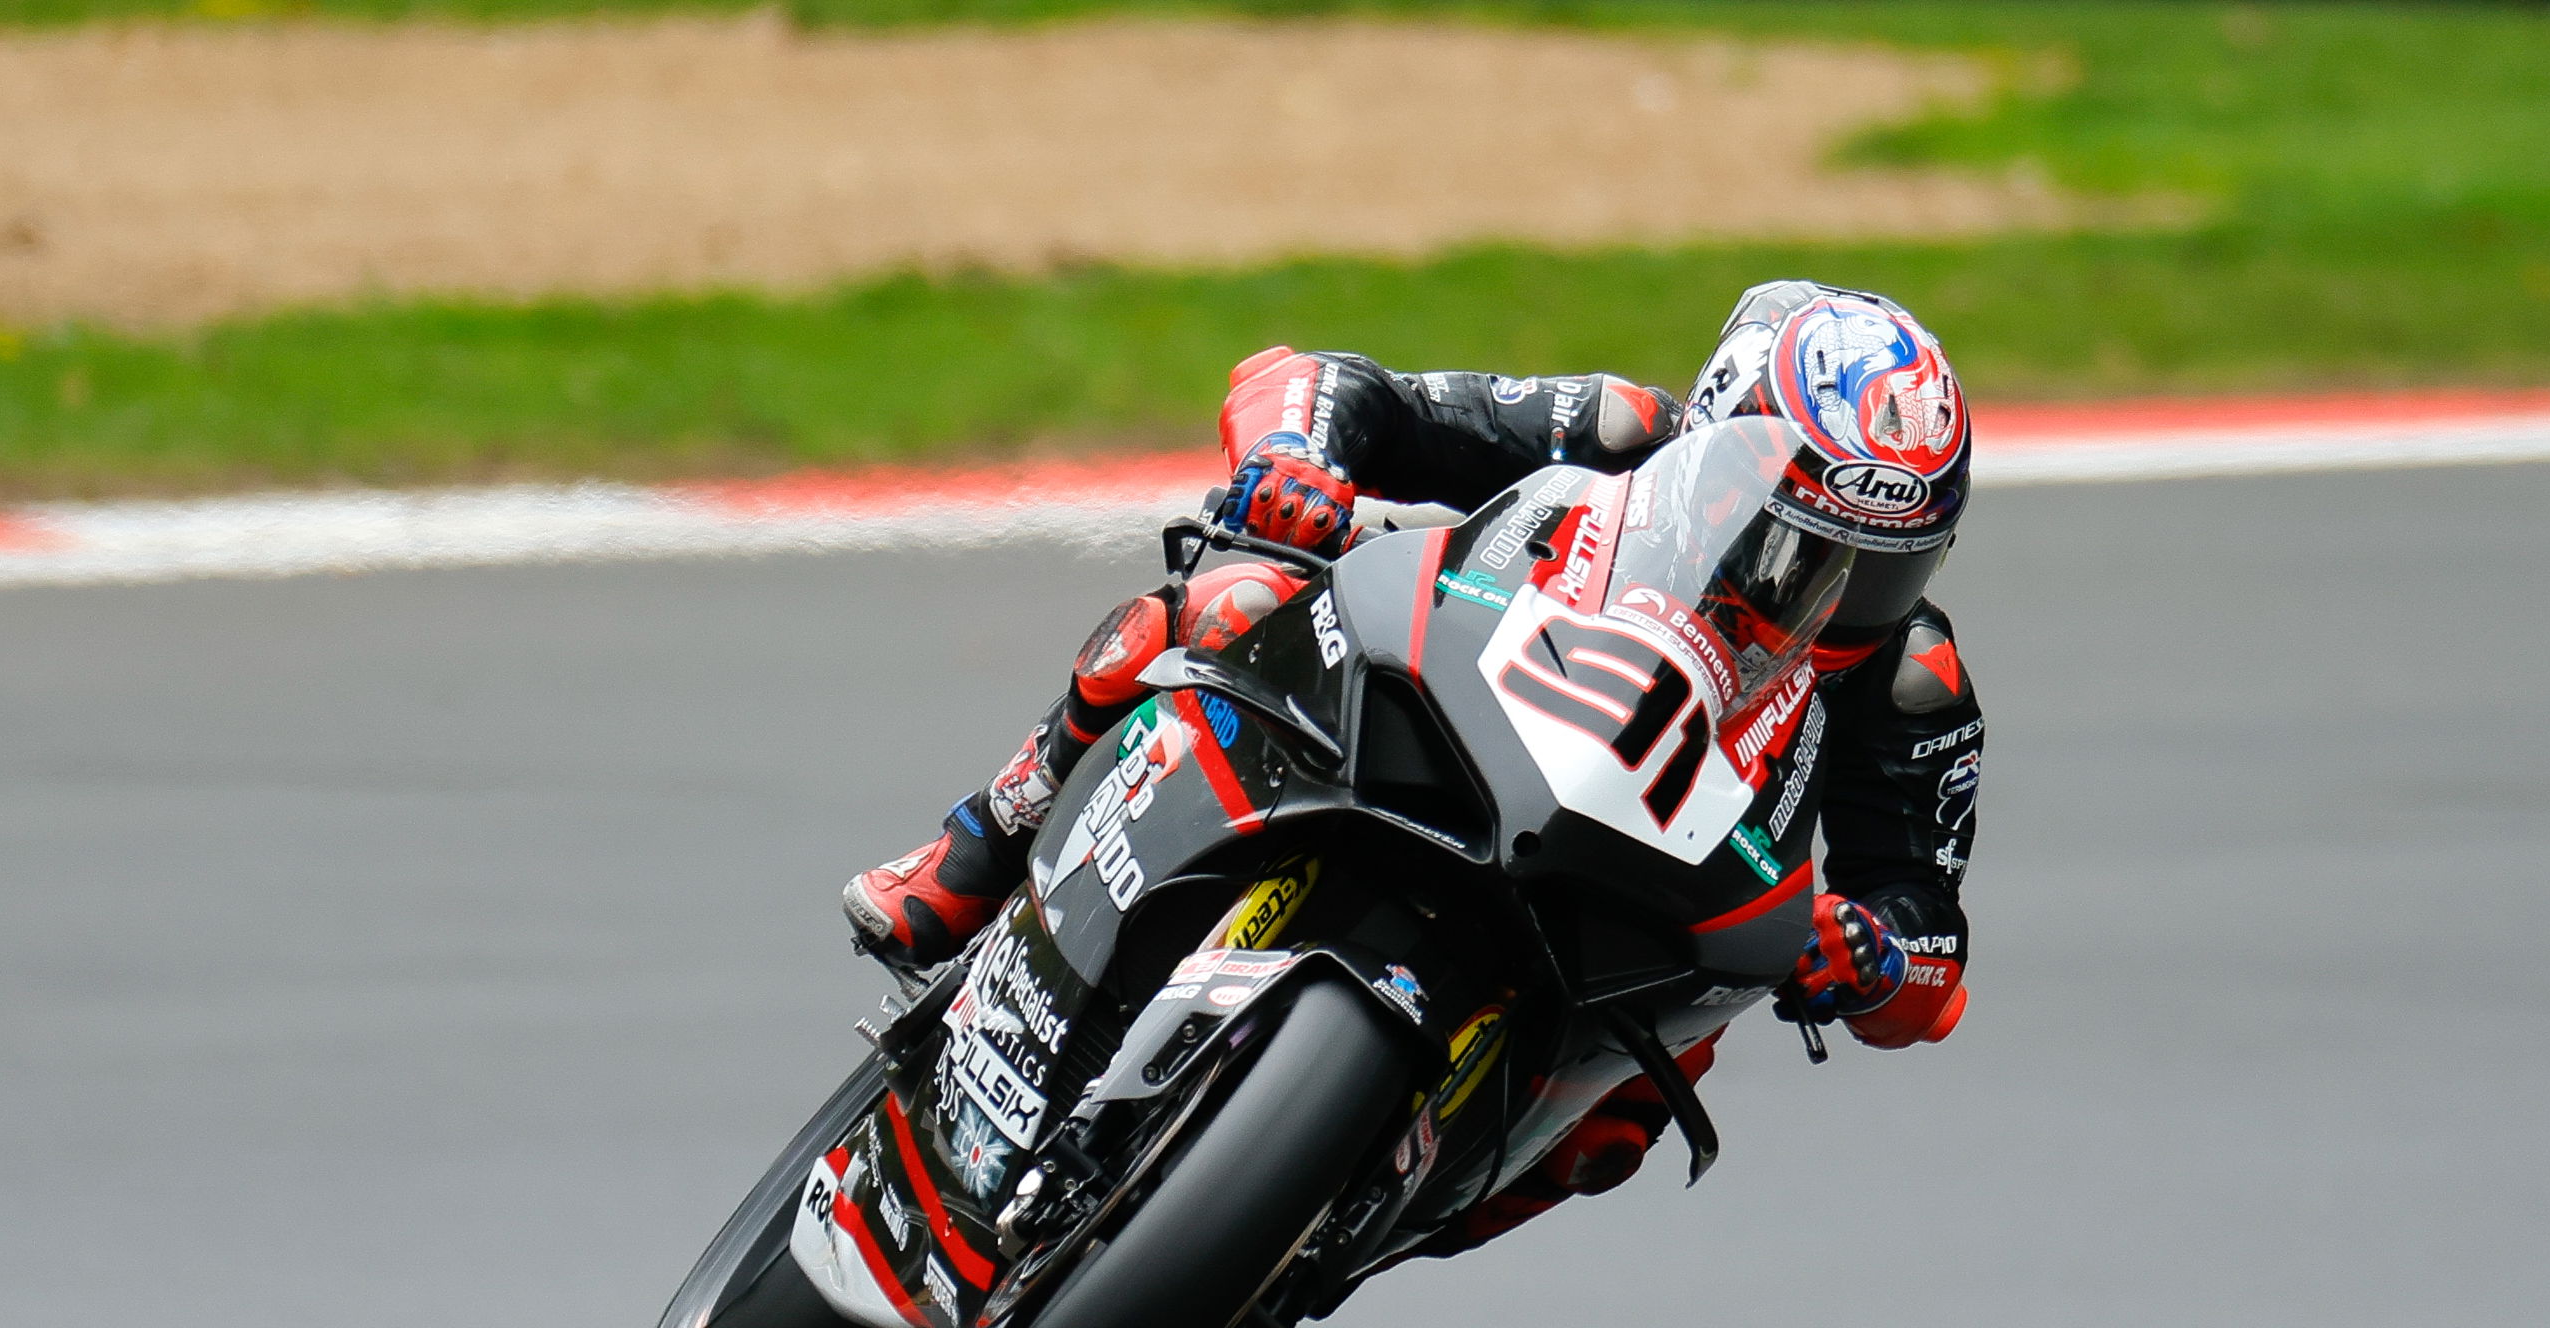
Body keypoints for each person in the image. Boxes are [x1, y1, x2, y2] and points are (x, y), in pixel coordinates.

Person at [845, 280, 1985, 1237]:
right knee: (1232, 597)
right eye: (1799, 539)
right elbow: (1331, 385)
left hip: (1644, 899)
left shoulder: (1905, 678)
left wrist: (1877, 953)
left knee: (1636, 1110)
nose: (1830, 589)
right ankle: (976, 851)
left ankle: (1307, 1244)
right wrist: (1297, 459)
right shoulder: (1619, 434)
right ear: (1720, 455)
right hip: (1443, 717)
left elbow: (1929, 925)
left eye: (1878, 568)